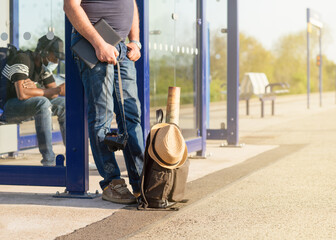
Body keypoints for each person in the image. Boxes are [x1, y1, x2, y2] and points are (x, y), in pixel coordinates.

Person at [64, 0, 144, 204]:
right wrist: (99, 43)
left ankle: (141, 182)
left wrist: (135, 40)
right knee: (103, 117)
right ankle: (112, 183)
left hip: (122, 46)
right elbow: (70, 6)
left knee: (131, 116)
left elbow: (132, 5)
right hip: (95, 42)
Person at [1, 35, 66, 166]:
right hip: (9, 107)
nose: (57, 61)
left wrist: (36, 88)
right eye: (55, 56)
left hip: (27, 106)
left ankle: (74, 157)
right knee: (43, 103)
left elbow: (53, 94)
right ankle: (49, 161)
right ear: (44, 52)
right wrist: (48, 91)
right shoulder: (23, 59)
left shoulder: (42, 68)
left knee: (63, 105)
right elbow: (22, 94)